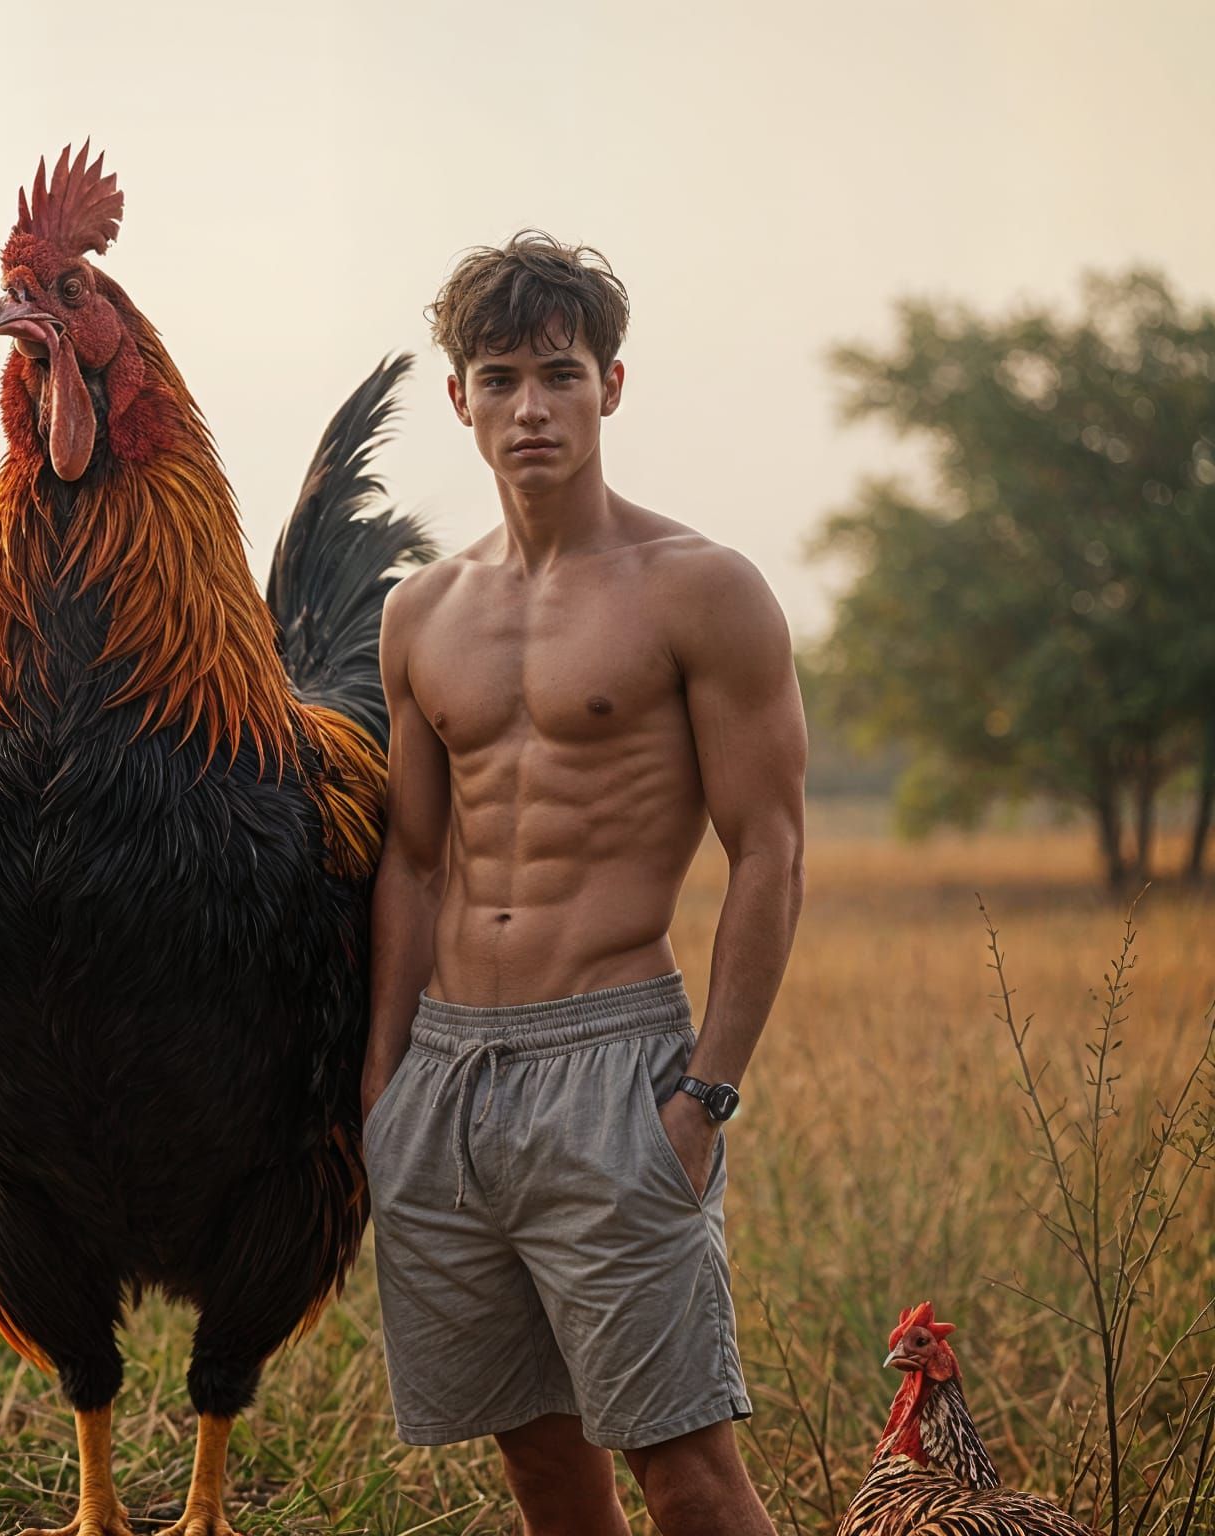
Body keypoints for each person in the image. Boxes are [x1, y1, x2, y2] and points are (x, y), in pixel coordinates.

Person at [362, 230, 807, 1536]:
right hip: (447, 1081)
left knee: (686, 1467)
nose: (530, 407)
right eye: (499, 378)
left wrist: (705, 1091)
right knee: (545, 1468)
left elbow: (770, 849)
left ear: (613, 384)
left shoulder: (702, 591)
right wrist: (384, 1083)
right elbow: (411, 854)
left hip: (617, 1064)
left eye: (559, 372)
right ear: (460, 400)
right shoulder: (420, 614)